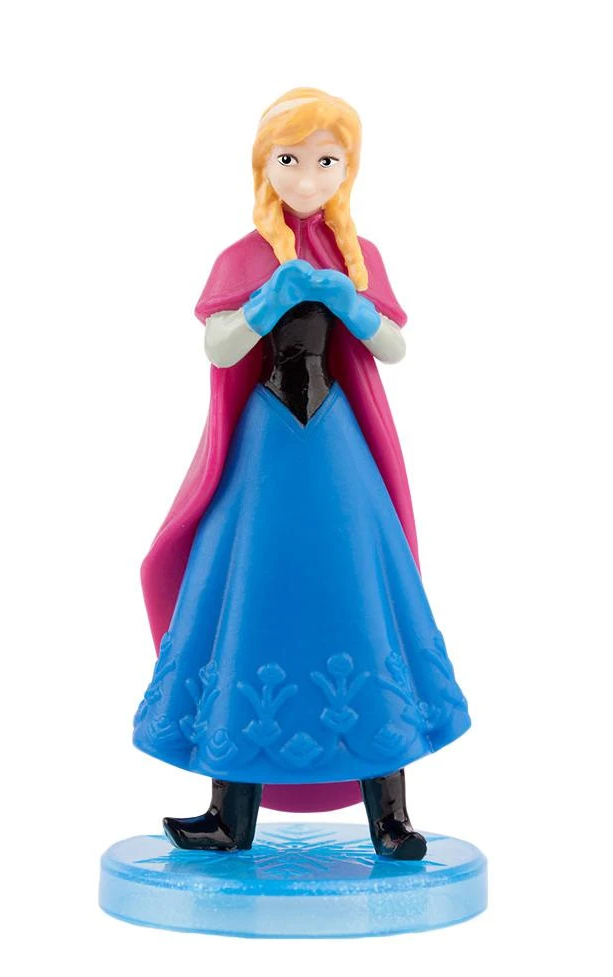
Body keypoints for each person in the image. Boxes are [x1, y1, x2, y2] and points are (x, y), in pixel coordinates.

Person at [133, 88, 471, 861]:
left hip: (335, 451)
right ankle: (229, 816)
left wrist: (352, 305)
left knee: (360, 602)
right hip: (264, 450)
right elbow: (218, 347)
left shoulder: (359, 255)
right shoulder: (243, 255)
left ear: (348, 168)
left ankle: (389, 817)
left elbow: (393, 348)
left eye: (326, 161)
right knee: (245, 603)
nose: (309, 177)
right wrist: (265, 303)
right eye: (291, 159)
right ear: (265, 166)